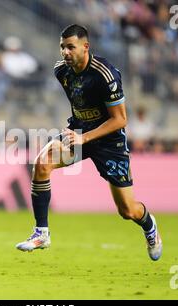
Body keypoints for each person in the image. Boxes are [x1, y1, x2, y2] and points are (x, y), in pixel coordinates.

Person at [16, 24, 162, 261]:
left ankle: (149, 226)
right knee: (42, 164)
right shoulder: (61, 71)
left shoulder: (105, 75)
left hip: (109, 142)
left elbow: (120, 119)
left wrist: (85, 137)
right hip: (79, 133)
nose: (65, 52)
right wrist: (79, 131)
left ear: (86, 47)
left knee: (127, 210)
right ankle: (41, 233)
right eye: (62, 47)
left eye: (70, 47)